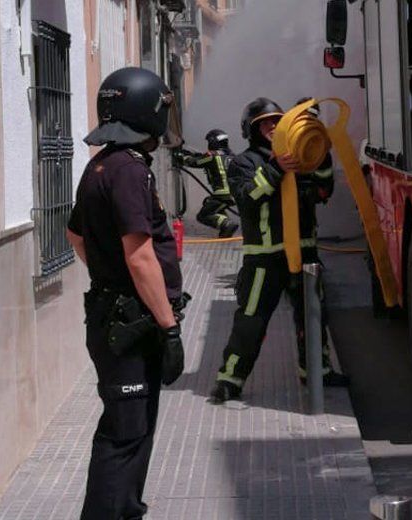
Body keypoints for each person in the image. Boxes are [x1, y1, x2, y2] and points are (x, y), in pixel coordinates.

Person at [66, 66, 185, 520]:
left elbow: (74, 234)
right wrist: (168, 327)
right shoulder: (129, 171)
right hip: (130, 323)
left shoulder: (100, 164)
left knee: (130, 430)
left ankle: (126, 511)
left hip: (115, 314)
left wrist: (108, 276)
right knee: (124, 434)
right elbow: (140, 256)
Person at [210, 97, 348, 404]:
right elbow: (247, 197)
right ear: (253, 129)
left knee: (313, 318)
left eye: (277, 121)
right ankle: (229, 380)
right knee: (251, 321)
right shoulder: (244, 162)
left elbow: (324, 190)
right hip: (264, 260)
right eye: (266, 123)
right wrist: (275, 168)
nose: (273, 127)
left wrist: (319, 148)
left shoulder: (300, 156)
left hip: (304, 256)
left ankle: (317, 371)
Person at [287, 97, 346, 386]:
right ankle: (316, 372)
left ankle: (314, 372)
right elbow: (325, 190)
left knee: (304, 310)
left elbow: (324, 189)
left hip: (289, 243)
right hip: (298, 245)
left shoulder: (298, 142)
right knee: (311, 309)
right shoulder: (307, 144)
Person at [183, 129, 239, 237]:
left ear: (213, 142)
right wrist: (195, 154)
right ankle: (226, 229)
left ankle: (226, 224)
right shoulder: (232, 156)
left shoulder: (213, 156)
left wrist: (181, 157)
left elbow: (194, 162)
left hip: (223, 194)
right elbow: (203, 157)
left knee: (203, 215)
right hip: (234, 192)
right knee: (210, 204)